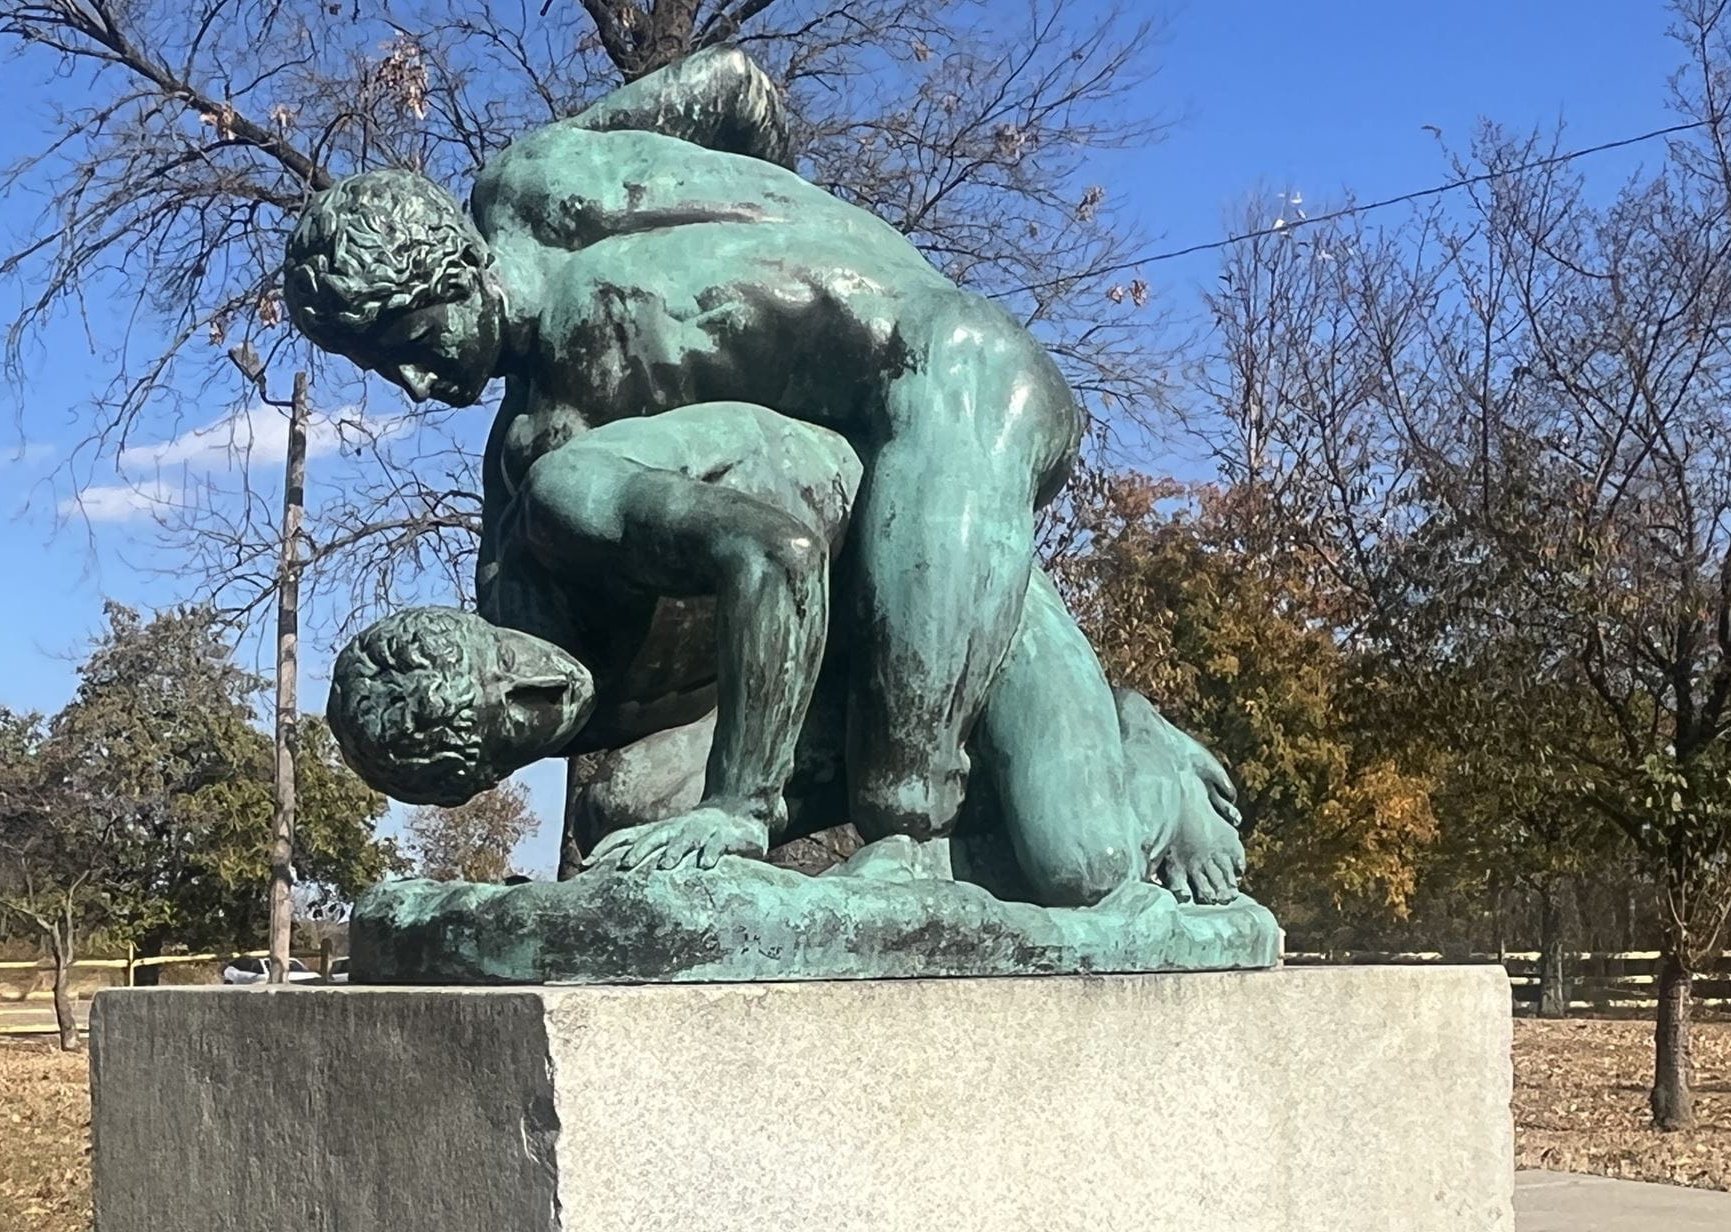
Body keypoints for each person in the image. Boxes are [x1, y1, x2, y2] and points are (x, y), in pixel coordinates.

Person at [285, 45, 1097, 873]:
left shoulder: (537, 193)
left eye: (413, 342)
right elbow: (738, 88)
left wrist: (797, 236)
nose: (417, 383)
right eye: (383, 370)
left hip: (957, 379)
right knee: (628, 807)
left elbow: (732, 87)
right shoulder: (530, 207)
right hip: (859, 467)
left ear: (454, 262)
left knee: (904, 798)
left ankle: (983, 843)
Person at [326, 399, 1246, 908]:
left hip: (912, 563)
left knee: (1081, 864)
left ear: (480, 625)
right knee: (627, 814)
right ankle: (945, 846)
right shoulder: (575, 728)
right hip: (832, 671)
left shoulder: (568, 509)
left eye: (502, 667)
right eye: (508, 738)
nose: (541, 696)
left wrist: (738, 806)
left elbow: (780, 554)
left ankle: (1146, 757)